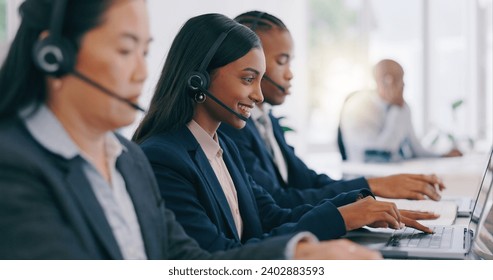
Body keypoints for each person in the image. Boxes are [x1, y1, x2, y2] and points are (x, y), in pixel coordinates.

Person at [0, 0, 381, 260]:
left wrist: (298, 255)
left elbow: (189, 261)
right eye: (124, 50)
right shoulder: (14, 168)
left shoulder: (126, 160)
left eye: (144, 52)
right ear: (53, 55)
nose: (141, 72)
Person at [133, 13, 436, 253]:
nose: (258, 95)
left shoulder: (221, 146)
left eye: (260, 80)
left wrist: (360, 204)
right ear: (198, 79)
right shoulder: (164, 158)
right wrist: (342, 218)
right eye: (248, 79)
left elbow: (271, 215)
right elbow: (215, 258)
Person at [219, 11, 448, 209]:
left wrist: (371, 187)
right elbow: (276, 202)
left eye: (291, 62)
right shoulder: (232, 127)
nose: (290, 74)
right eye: (281, 62)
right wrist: (370, 188)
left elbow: (307, 180)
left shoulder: (268, 122)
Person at [339, 59, 463, 163]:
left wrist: (442, 156)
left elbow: (416, 149)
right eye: (399, 79)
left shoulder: (403, 107)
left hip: (394, 173)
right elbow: (383, 151)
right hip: (363, 178)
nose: (404, 84)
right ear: (386, 80)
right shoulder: (358, 108)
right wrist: (396, 111)